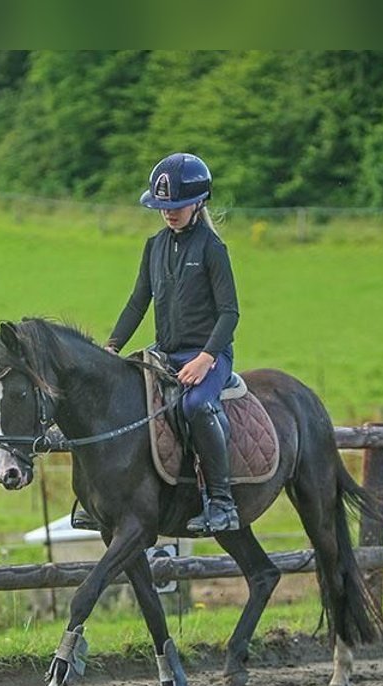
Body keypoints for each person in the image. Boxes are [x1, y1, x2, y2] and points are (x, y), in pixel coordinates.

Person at [74, 152, 241, 534]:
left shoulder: (213, 250)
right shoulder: (154, 246)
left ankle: (222, 502)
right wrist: (112, 347)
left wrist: (206, 359)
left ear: (198, 203)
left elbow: (230, 314)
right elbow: (138, 301)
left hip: (208, 356)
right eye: (163, 206)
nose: (170, 213)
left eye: (178, 206)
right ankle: (99, 497)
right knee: (118, 397)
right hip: (165, 353)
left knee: (198, 406)